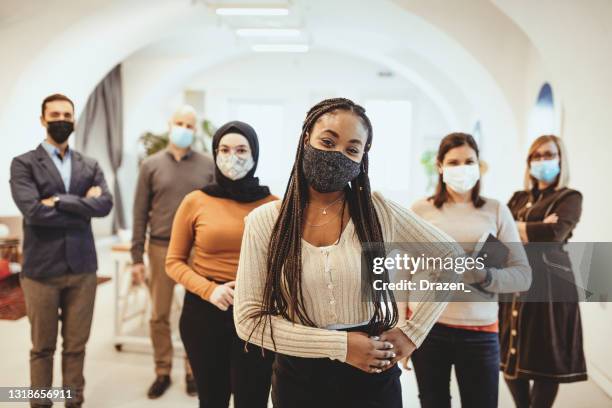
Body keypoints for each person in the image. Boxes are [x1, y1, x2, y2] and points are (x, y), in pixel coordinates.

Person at [233, 98, 466, 408]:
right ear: (306, 139)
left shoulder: (378, 212)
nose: (338, 154)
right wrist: (340, 346)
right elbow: (249, 321)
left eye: (352, 149)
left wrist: (414, 332)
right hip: (299, 378)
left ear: (362, 159)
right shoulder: (266, 222)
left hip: (373, 374)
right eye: (328, 141)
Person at [408, 133, 531, 408]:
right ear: (440, 166)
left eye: (468, 161)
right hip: (428, 329)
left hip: (480, 332)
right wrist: (402, 328)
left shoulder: (496, 211)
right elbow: (403, 272)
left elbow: (523, 274)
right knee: (433, 402)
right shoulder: (420, 210)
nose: (461, 168)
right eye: (453, 162)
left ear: (478, 165)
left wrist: (485, 276)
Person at [9, 93, 113, 407]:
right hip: (41, 270)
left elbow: (105, 204)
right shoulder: (23, 163)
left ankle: (73, 401)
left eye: (66, 115)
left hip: (82, 269)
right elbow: (33, 212)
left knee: (76, 346)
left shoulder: (89, 164)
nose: (61, 121)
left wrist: (58, 200)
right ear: (43, 120)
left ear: (74, 120)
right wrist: (83, 206)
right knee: (42, 347)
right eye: (54, 115)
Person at [166, 121, 278, 408]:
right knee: (212, 399)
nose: (233, 156)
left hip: (256, 313)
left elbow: (285, 266)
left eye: (242, 149)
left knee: (252, 399)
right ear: (215, 154)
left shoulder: (274, 205)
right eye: (224, 149)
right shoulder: (196, 201)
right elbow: (173, 262)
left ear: (255, 155)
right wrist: (209, 290)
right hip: (204, 313)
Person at [130, 105, 215, 398]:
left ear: (195, 129)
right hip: (160, 247)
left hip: (198, 249)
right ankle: (162, 371)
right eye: (179, 123)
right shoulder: (150, 165)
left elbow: (216, 208)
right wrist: (135, 256)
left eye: (190, 125)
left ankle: (193, 370)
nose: (184, 129)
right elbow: (140, 212)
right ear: (169, 124)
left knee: (197, 315)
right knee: (159, 314)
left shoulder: (208, 165)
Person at [500, 135, 587, 408]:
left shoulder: (569, 197)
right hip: (513, 282)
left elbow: (554, 233)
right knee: (510, 353)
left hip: (550, 285)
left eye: (549, 155)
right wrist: (531, 228)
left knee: (546, 354)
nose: (542, 161)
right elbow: (497, 234)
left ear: (561, 158)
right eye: (536, 156)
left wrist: (517, 228)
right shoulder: (518, 197)